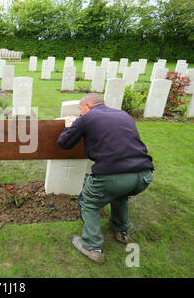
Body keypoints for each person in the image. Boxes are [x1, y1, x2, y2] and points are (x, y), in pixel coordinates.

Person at [57, 93, 154, 265]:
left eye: (81, 110)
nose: (80, 113)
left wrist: (71, 124)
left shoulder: (87, 118)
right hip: (144, 175)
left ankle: (93, 248)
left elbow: (64, 143)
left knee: (88, 202)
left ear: (88, 106)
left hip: (113, 175)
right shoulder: (123, 114)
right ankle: (121, 231)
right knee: (121, 195)